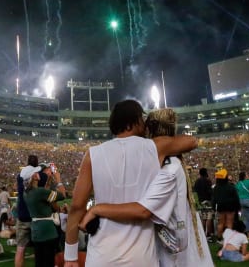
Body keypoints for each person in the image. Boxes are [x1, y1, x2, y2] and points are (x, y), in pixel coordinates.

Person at [64, 100, 198, 267]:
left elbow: (77, 207)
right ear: (133, 121)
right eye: (142, 118)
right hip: (141, 257)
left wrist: (70, 256)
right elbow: (192, 141)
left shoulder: (92, 155)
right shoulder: (154, 147)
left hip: (101, 255)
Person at [24, 164, 66, 267]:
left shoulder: (27, 193)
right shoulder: (39, 192)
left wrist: (47, 182)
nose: (38, 173)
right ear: (34, 176)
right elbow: (62, 195)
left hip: (36, 232)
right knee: (49, 262)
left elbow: (44, 195)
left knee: (39, 262)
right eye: (36, 173)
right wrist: (58, 179)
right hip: (47, 232)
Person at [15, 154, 39, 267]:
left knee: (20, 249)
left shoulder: (20, 175)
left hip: (22, 215)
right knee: (39, 250)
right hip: (35, 216)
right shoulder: (38, 175)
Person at [213, 169, 240, 240]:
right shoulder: (231, 187)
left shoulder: (216, 187)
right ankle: (229, 238)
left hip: (220, 207)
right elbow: (236, 198)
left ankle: (219, 238)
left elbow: (214, 199)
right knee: (229, 223)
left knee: (220, 223)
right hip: (230, 207)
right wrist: (238, 207)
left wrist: (213, 207)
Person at [193, 168, 215, 241]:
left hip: (200, 201)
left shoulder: (197, 181)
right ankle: (208, 235)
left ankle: (203, 235)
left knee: (203, 218)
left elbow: (195, 191)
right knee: (209, 218)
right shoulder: (207, 181)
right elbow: (210, 191)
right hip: (208, 201)